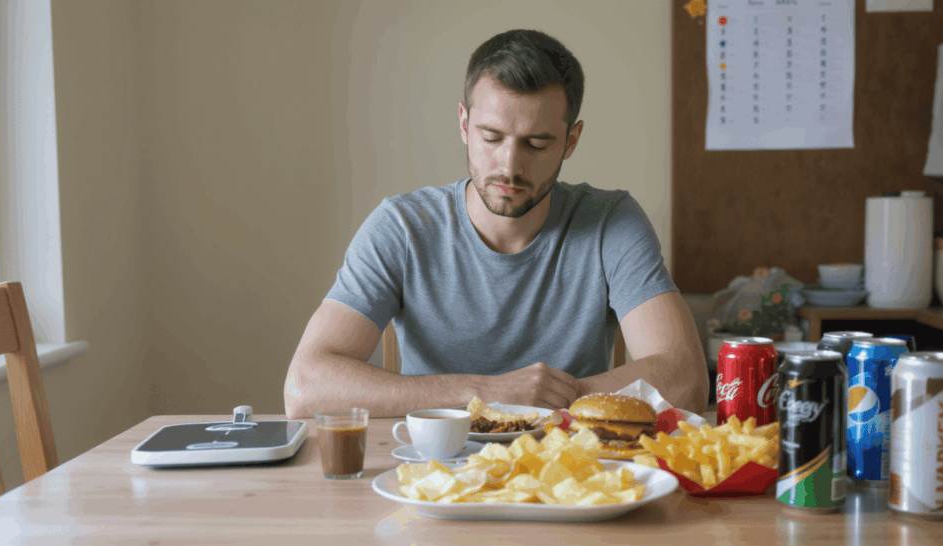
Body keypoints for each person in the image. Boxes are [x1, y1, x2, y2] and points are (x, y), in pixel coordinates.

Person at [284, 29, 708, 418]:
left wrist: (546, 399)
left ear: (570, 141)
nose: (509, 166)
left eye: (537, 143)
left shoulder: (611, 222)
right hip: (430, 474)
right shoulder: (400, 227)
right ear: (465, 125)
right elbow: (305, 388)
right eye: (491, 137)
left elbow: (686, 379)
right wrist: (487, 392)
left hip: (570, 478)